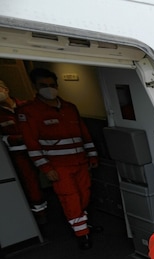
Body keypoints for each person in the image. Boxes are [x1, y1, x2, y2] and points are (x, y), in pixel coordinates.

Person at [18, 68, 98, 249]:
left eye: (52, 85)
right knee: (70, 198)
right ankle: (82, 234)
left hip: (80, 161)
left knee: (84, 194)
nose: (49, 89)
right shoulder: (30, 112)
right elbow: (32, 145)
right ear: (35, 87)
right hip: (59, 166)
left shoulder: (69, 108)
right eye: (43, 86)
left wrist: (92, 155)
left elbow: (84, 134)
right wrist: (46, 168)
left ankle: (82, 223)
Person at [0, 80, 47, 224]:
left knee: (57, 176)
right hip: (18, 153)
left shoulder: (27, 105)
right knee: (30, 183)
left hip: (41, 148)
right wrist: (15, 139)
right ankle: (40, 215)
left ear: (6, 89)